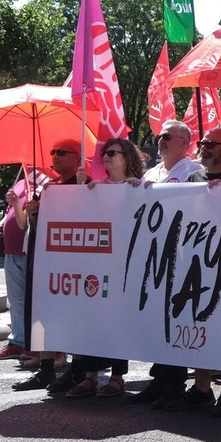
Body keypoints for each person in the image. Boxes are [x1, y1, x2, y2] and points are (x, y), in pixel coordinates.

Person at [158, 127, 221, 414]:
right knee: (200, 324)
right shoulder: (194, 178)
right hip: (198, 264)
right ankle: (201, 389)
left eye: (212, 143)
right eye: (204, 142)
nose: (205, 147)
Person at [129, 123, 206, 409]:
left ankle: (174, 384)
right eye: (159, 136)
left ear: (185, 143)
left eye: (167, 136)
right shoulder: (151, 173)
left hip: (181, 256)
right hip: (152, 253)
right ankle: (159, 379)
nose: (160, 140)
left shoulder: (193, 170)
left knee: (174, 318)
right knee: (154, 319)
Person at [66, 138, 146, 398]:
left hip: (124, 266)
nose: (107, 157)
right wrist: (82, 191)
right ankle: (90, 376)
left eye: (113, 153)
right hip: (96, 264)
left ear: (127, 157)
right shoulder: (96, 188)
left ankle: (117, 377)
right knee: (93, 317)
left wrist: (140, 192)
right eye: (104, 153)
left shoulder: (139, 187)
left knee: (119, 319)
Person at [17, 140, 86, 394]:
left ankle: (77, 369)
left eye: (62, 152)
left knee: (74, 316)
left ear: (77, 157)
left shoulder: (85, 185)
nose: (55, 156)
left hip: (73, 263)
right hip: (45, 260)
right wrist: (34, 214)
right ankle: (45, 368)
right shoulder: (49, 188)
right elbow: (40, 228)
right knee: (43, 312)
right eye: (53, 152)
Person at [0, 166, 49, 363]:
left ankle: (34, 344)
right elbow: (12, 212)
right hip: (12, 250)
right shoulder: (21, 183)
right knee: (16, 301)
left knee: (33, 301)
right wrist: (0, 226)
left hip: (32, 251)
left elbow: (26, 221)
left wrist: (18, 205)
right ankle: (18, 341)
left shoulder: (45, 183)